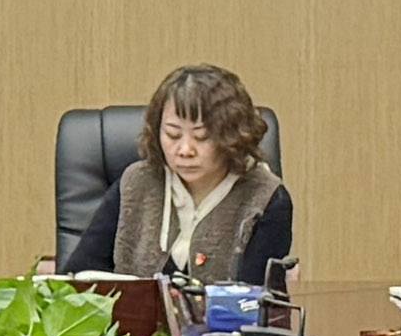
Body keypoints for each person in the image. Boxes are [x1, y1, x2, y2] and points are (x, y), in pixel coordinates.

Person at [63, 62, 298, 286]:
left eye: (202, 137)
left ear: (233, 137)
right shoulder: (135, 184)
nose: (185, 150)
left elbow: (256, 301)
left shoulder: (266, 198)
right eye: (173, 135)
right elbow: (77, 279)